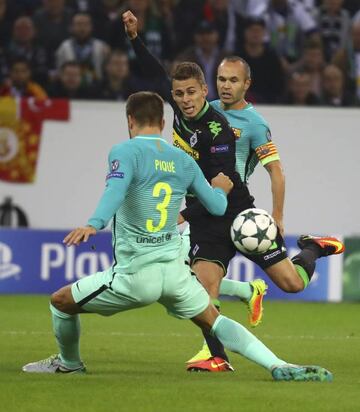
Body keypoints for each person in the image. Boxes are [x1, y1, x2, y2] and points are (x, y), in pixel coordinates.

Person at [22, 91, 332, 383]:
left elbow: (115, 190)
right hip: (174, 272)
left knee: (60, 302)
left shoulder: (124, 151)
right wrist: (222, 189)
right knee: (215, 320)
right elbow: (215, 206)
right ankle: (278, 364)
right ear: (162, 122)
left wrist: (94, 223)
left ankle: (69, 364)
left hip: (135, 274)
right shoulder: (182, 160)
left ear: (130, 120)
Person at [123, 10, 345, 373]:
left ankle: (312, 249)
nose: (225, 86)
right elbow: (153, 72)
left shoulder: (227, 128)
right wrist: (134, 38)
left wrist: (276, 216)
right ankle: (217, 356)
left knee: (291, 283)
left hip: (235, 211)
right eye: (221, 79)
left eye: (232, 80)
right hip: (206, 216)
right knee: (203, 289)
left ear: (244, 84)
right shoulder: (187, 108)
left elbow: (237, 184)